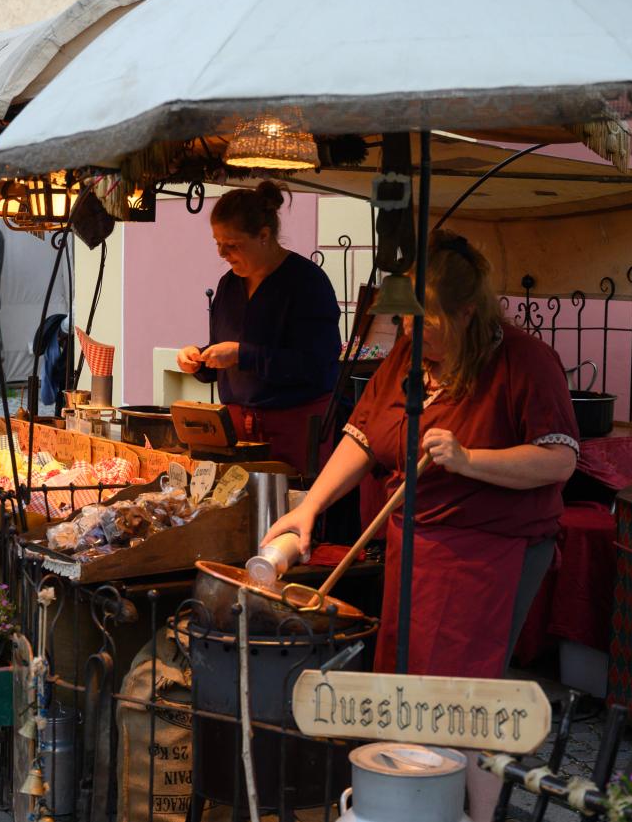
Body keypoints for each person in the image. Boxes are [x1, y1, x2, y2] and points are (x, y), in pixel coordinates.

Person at [263, 231, 579, 821]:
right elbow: (363, 435)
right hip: (417, 546)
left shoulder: (524, 360)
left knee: (467, 696)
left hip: (491, 551)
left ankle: (478, 815)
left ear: (466, 312)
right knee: (404, 684)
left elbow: (559, 458)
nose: (410, 334)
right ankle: (410, 803)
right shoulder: (408, 358)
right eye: (406, 321)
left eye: (425, 322)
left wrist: (469, 459)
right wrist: (308, 508)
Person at [176, 181, 341, 474]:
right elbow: (226, 354)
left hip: (294, 427)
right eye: (218, 243)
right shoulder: (229, 285)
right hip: (235, 431)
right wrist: (199, 359)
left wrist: (243, 355)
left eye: (232, 245)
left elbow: (317, 365)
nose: (222, 254)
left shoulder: (307, 283)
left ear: (264, 235)